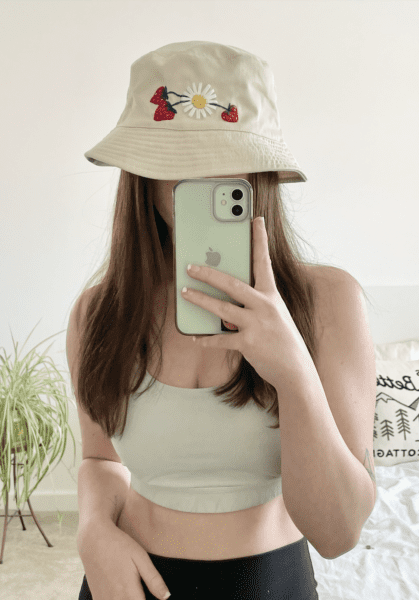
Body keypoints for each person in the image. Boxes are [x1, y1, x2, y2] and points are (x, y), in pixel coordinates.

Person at [68, 41, 377, 600]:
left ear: (257, 170)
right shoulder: (100, 313)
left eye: (223, 157)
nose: (203, 176)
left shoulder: (327, 302)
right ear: (139, 174)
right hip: (126, 580)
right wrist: (92, 532)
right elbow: (98, 458)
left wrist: (294, 372)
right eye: (178, 159)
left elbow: (338, 532)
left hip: (269, 583)